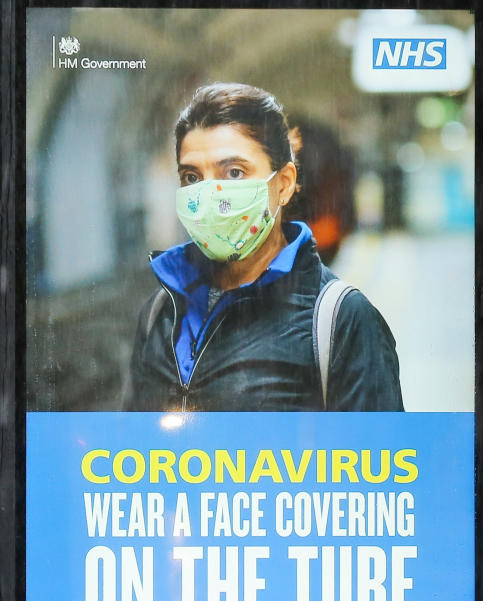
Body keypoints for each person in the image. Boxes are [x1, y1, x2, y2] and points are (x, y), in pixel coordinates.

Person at [124, 82, 403, 412]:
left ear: (284, 184)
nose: (211, 194)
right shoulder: (161, 312)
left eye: (234, 171)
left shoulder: (341, 320)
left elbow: (376, 459)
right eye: (192, 177)